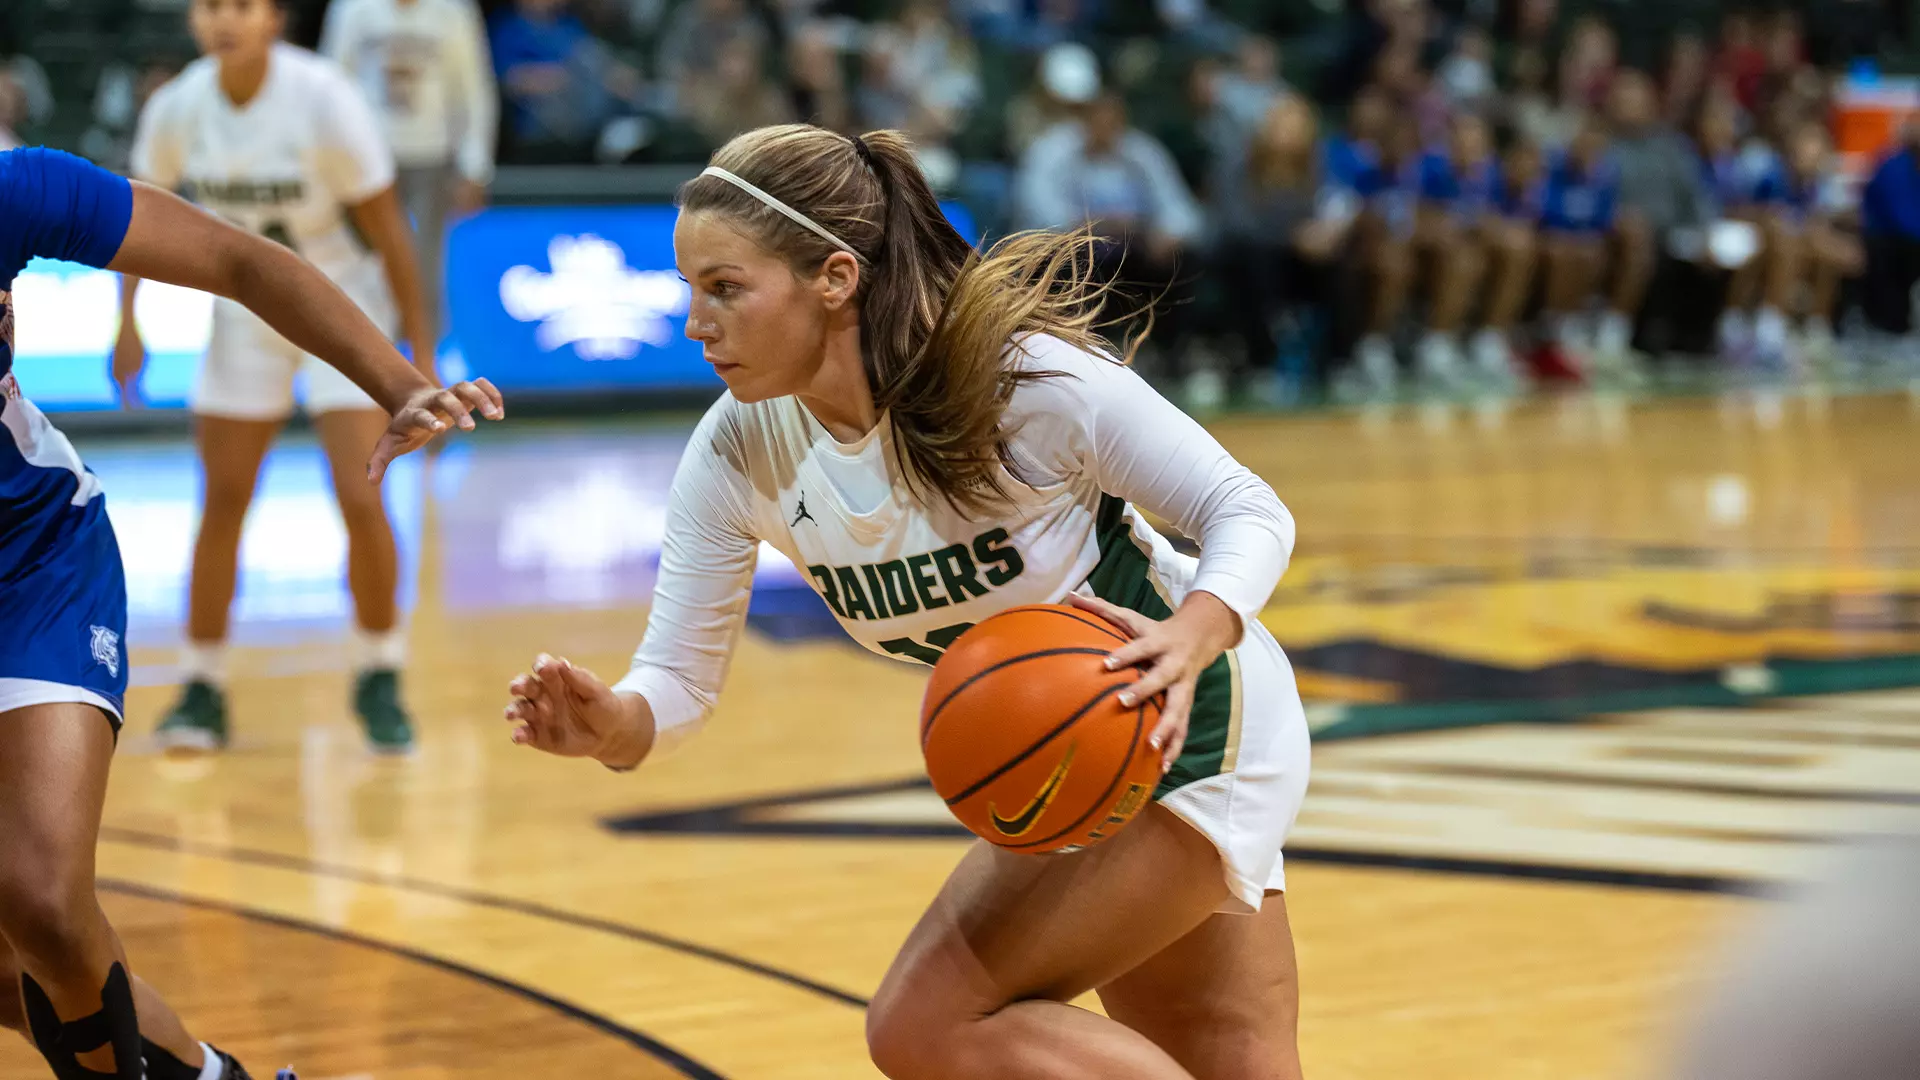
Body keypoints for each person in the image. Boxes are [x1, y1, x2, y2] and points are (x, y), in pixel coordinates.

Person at [501, 124, 1311, 1080]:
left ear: (834, 278)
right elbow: (678, 678)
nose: (693, 321)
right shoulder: (736, 450)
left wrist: (1193, 632)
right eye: (689, 290)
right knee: (1228, 1059)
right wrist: (614, 726)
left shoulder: (1022, 378)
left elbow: (1246, 508)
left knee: (929, 1024)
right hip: (1087, 754)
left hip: (1189, 717)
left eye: (724, 288)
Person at [0, 146, 501, 1080]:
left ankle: (355, 670)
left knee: (41, 901)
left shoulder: (12, 190)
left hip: (27, 554)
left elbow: (239, 258)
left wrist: (400, 385)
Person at [116, 0, 435, 752]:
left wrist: (418, 354)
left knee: (362, 495)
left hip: (341, 305)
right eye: (209, 7)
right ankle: (201, 685)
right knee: (223, 500)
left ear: (274, 19)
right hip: (243, 319)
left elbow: (392, 233)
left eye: (242, 6)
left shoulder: (324, 98)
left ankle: (380, 671)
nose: (224, 20)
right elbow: (134, 216)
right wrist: (126, 319)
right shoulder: (177, 107)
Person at [320, 0, 499, 351]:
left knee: (423, 271)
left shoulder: (454, 12)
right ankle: (363, 361)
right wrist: (328, 160)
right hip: (365, 161)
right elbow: (329, 87)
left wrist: (475, 166)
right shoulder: (352, 10)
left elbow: (474, 90)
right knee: (362, 268)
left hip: (432, 157)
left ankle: (425, 367)